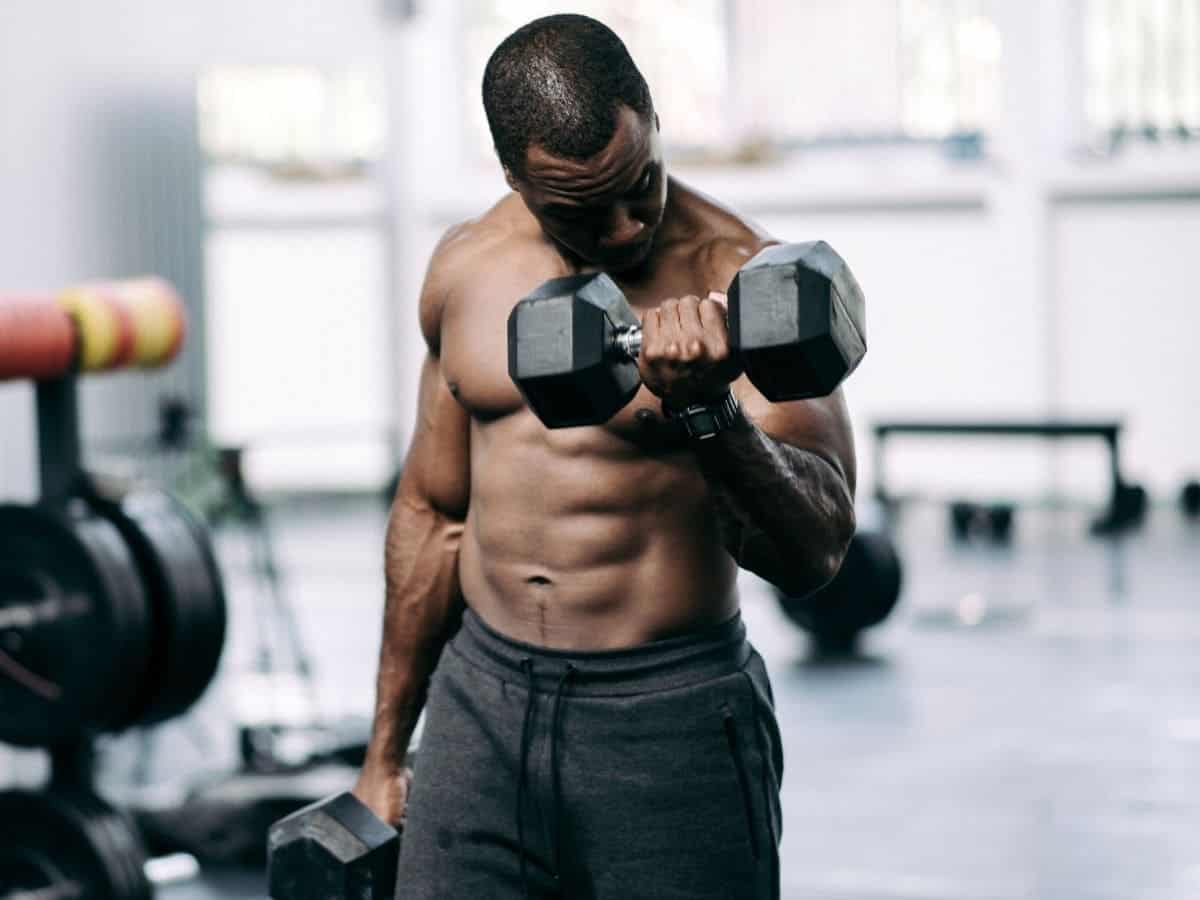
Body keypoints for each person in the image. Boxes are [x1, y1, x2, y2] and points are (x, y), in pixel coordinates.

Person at [353, 13, 856, 900]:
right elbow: (434, 517)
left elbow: (816, 550)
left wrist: (706, 408)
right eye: (583, 212)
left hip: (668, 713)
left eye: (643, 185)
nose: (626, 231)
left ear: (655, 122)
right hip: (480, 705)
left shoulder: (741, 278)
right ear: (515, 177)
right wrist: (387, 750)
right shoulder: (467, 270)